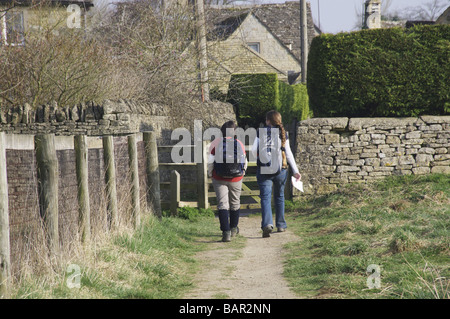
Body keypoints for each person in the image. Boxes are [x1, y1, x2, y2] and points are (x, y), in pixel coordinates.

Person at [252, 110, 301, 238]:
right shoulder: (283, 134)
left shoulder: (260, 132)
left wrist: (260, 156)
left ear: (268, 121)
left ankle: (267, 224)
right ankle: (281, 225)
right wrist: (295, 171)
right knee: (279, 197)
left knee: (265, 198)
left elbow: (252, 151)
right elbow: (288, 154)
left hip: (264, 170)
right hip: (281, 170)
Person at [208, 121, 248, 242]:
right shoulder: (239, 143)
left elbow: (210, 162)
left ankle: (226, 233)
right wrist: (243, 171)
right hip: (236, 177)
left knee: (222, 204)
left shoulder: (216, 143)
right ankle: (233, 229)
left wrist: (210, 174)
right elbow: (244, 160)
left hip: (219, 178)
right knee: (235, 202)